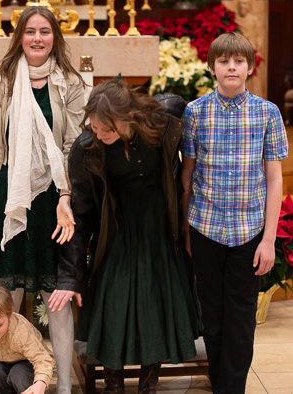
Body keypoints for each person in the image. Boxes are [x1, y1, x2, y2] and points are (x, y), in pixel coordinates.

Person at [0, 5, 86, 394]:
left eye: (45, 31)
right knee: (4, 294)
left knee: (56, 295)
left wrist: (66, 196)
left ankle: (63, 385)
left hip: (53, 199)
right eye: (30, 31)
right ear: (19, 37)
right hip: (9, 198)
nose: (37, 38)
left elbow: (72, 147)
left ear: (55, 37)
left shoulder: (70, 82)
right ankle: (7, 380)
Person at [49, 80, 203, 394]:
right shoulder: (87, 148)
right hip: (116, 228)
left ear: (129, 116)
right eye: (94, 126)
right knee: (113, 302)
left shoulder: (164, 122)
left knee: (156, 302)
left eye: (106, 128)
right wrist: (70, 277)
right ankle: (113, 385)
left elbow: (188, 137)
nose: (98, 134)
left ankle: (148, 384)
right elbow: (82, 212)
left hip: (160, 227)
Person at [181, 32, 288, 394]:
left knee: (241, 319)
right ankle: (221, 383)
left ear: (250, 67)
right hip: (205, 227)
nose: (231, 67)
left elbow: (274, 179)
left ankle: (231, 389)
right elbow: (187, 174)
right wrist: (186, 229)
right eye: (224, 61)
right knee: (212, 316)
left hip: (249, 231)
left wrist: (269, 240)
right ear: (212, 68)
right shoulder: (195, 112)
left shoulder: (267, 113)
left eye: (239, 61)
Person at [0, 284, 55, 394]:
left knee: (18, 373)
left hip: (28, 362)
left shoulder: (21, 332)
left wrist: (40, 383)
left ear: (10, 314)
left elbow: (42, 359)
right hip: (2, 361)